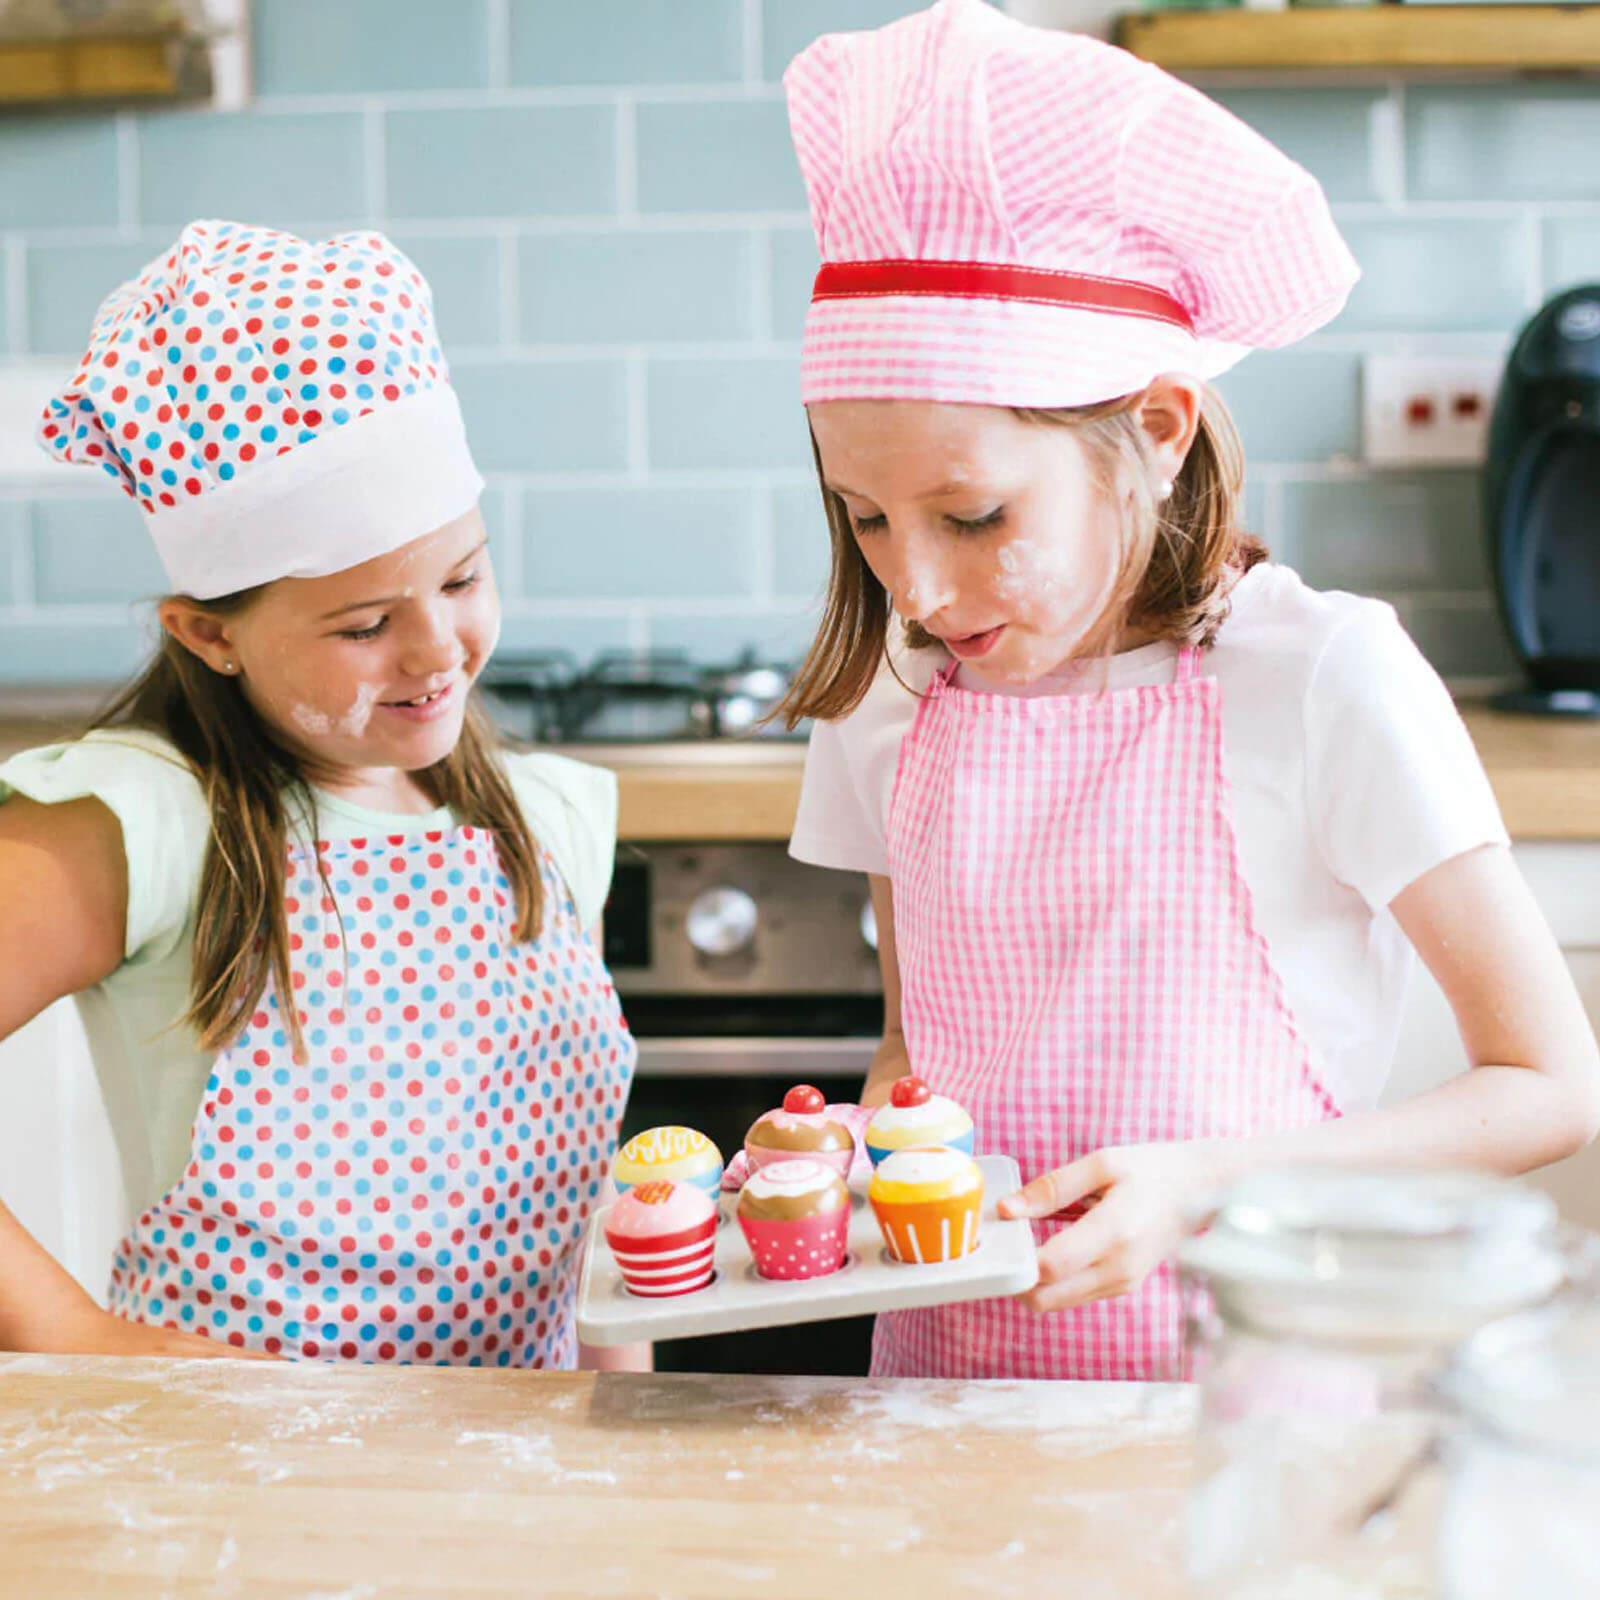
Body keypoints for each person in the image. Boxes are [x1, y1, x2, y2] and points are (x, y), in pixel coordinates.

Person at [780, 0, 1600, 1380]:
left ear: (1155, 433)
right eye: (863, 516)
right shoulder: (893, 701)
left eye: (972, 517)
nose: (911, 589)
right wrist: (849, 1168)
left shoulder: (1321, 680)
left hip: (1245, 1412)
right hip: (940, 1408)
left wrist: (1203, 1179)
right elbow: (917, 1053)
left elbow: (1549, 1086)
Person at [0, 221, 639, 1369]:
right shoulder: (152, 819)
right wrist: (67, 1334)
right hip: (238, 1495)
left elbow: (592, 1251)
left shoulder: (544, 822)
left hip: (520, 1499)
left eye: (463, 575)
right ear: (208, 633)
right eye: (364, 623)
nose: (437, 648)